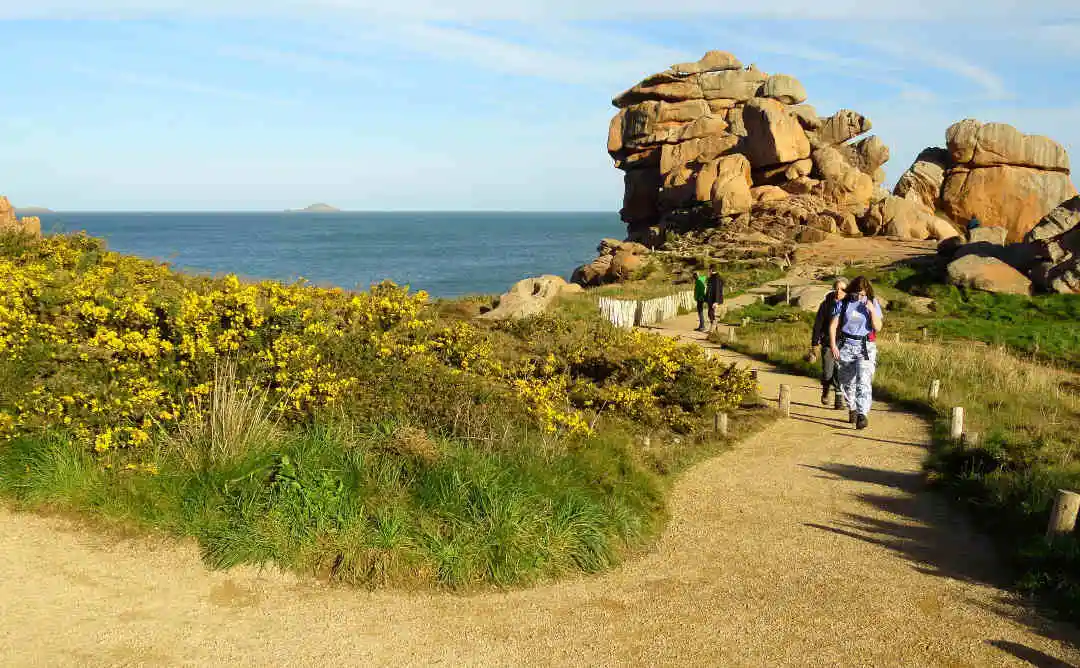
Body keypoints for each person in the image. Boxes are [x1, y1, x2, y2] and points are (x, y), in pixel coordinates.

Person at [829, 276, 884, 430]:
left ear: (867, 291)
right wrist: (833, 346)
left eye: (862, 293)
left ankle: (862, 414)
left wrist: (872, 310)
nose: (859, 296)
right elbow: (833, 326)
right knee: (846, 382)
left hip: (866, 347)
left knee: (864, 380)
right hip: (846, 346)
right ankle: (852, 406)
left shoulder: (872, 303)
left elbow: (878, 327)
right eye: (856, 293)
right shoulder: (843, 303)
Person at [811, 278, 847, 409]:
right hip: (827, 342)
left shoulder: (849, 305)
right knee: (828, 372)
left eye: (842, 289)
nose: (839, 291)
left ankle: (839, 400)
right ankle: (826, 388)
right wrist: (815, 344)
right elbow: (817, 325)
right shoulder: (826, 305)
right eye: (837, 288)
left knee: (840, 371)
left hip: (843, 343)